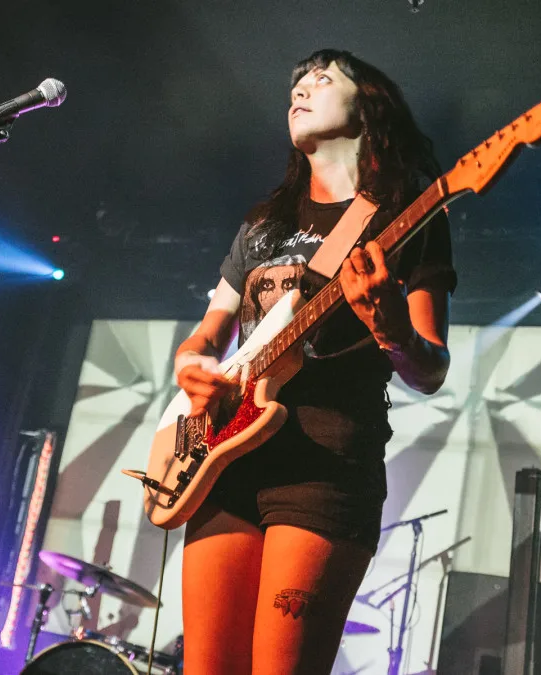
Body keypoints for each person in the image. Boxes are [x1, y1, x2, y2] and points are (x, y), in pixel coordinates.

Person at [173, 49, 456, 674]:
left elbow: (431, 369)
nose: (301, 89)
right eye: (297, 82)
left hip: (324, 469)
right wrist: (190, 364)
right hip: (226, 459)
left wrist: (391, 329)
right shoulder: (261, 225)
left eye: (323, 79)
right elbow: (212, 330)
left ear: (369, 109)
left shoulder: (403, 220)